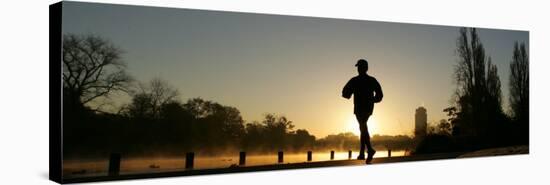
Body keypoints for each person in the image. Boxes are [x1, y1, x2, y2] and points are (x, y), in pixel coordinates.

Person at [342, 59, 383, 164]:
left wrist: (372, 100)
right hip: (367, 107)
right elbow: (345, 93)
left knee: (362, 126)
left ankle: (369, 150)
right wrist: (372, 100)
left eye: (360, 67)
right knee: (362, 127)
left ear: (363, 68)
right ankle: (363, 152)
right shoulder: (370, 80)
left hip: (361, 107)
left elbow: (345, 93)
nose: (359, 69)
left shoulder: (355, 80)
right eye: (358, 67)